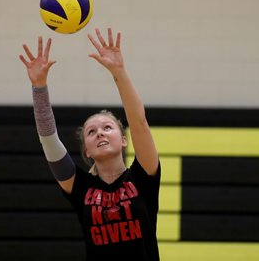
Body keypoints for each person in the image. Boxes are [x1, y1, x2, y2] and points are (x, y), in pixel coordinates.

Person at [19, 28, 160, 260]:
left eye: (108, 127)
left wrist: (119, 72)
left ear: (124, 140)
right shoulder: (80, 188)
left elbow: (139, 122)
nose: (100, 133)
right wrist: (39, 87)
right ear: (87, 150)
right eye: (91, 132)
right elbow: (48, 138)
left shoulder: (143, 176)